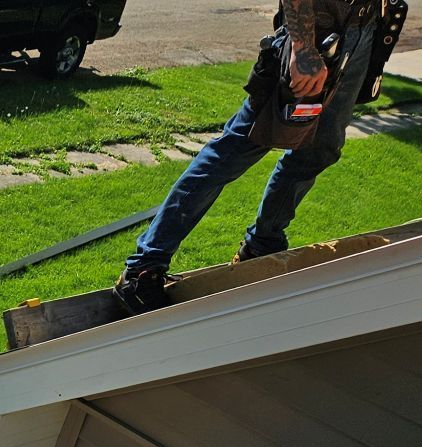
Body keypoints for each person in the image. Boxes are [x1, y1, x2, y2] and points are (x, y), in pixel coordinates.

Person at [113, 0, 382, 315]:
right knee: (235, 149)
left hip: (361, 30)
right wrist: (303, 47)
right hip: (317, 35)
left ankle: (262, 245)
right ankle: (143, 268)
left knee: (318, 151)